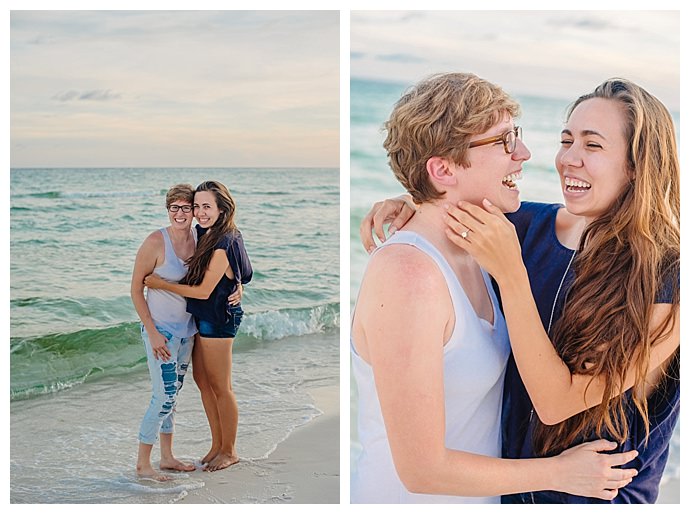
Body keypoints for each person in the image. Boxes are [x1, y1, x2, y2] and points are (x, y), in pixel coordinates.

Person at [360, 78, 680, 503]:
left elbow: (555, 402)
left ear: (639, 164)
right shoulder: (521, 228)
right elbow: (451, 198)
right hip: (505, 496)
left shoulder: (669, 280)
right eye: (567, 140)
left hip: (598, 496)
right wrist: (411, 199)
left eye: (593, 145)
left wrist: (512, 276)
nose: (567, 159)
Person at [145, 180, 253, 472]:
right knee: (203, 383)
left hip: (219, 320)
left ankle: (229, 450)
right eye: (197, 206)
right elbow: (245, 272)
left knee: (221, 386)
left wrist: (159, 284)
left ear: (222, 208)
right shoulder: (206, 234)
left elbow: (204, 291)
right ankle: (216, 445)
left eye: (207, 206)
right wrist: (238, 283)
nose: (201, 212)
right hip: (201, 319)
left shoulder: (223, 241)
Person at [130, 184, 198, 481]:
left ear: (194, 211)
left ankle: (167, 457)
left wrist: (238, 287)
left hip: (188, 331)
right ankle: (143, 464)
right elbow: (135, 290)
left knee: (174, 396)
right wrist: (153, 332)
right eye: (174, 208)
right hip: (162, 333)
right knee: (163, 396)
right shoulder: (155, 242)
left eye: (186, 207)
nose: (179, 213)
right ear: (167, 210)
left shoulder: (200, 238)